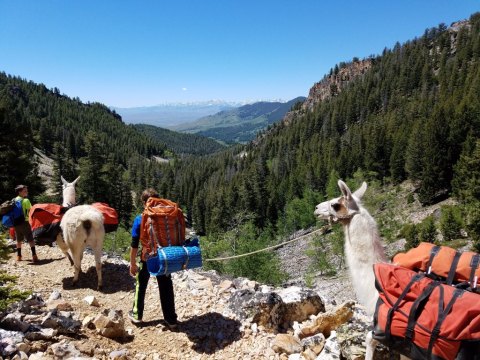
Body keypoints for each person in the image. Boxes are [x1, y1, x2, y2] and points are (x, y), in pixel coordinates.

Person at [128, 188, 178, 329]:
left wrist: (132, 263)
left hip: (147, 257)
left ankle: (137, 315)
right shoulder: (167, 217)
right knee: (166, 286)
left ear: (144, 202)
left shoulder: (140, 219)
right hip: (165, 257)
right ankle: (171, 319)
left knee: (141, 284)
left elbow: (134, 245)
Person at [14, 185, 38, 263]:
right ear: (19, 192)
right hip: (25, 222)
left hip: (16, 223)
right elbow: (31, 210)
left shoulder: (14, 200)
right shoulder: (26, 200)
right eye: (25, 191)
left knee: (18, 240)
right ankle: (34, 255)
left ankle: (19, 256)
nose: (26, 192)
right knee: (30, 239)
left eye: (27, 190)